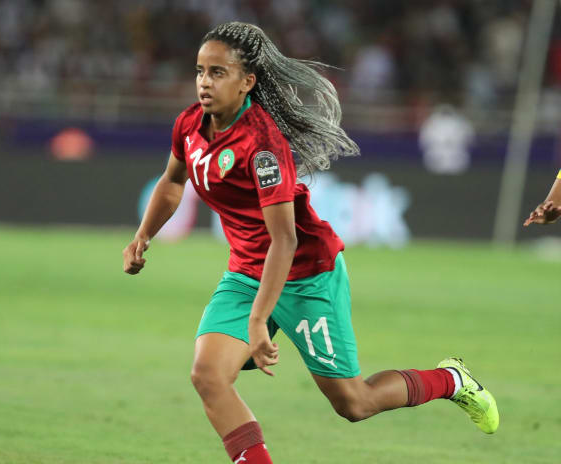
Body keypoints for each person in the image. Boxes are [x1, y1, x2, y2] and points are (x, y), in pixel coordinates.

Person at [122, 22, 498, 463]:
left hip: (305, 274)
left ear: (247, 82)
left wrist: (259, 320)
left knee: (354, 403)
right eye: (200, 71)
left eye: (218, 72)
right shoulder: (190, 124)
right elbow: (172, 181)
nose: (205, 82)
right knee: (208, 375)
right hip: (247, 274)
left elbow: (285, 240)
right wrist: (143, 235)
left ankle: (452, 381)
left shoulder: (262, 146)